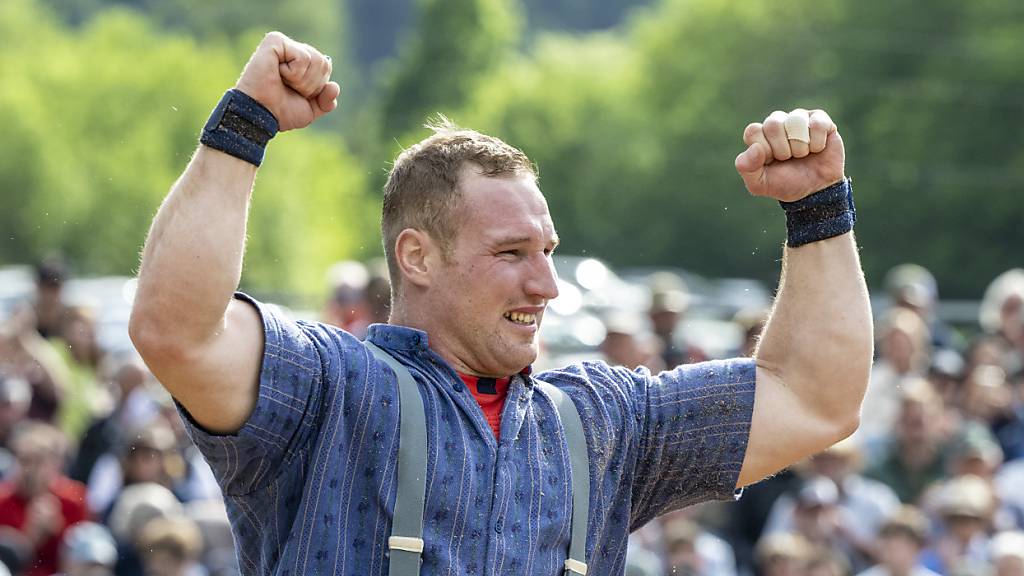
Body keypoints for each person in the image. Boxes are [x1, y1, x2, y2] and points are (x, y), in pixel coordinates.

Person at [128, 32, 872, 574]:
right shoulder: (327, 389)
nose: (546, 285)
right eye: (512, 254)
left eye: (547, 252)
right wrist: (246, 121)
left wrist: (818, 209)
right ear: (417, 256)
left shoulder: (603, 423)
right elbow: (176, 331)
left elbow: (815, 397)